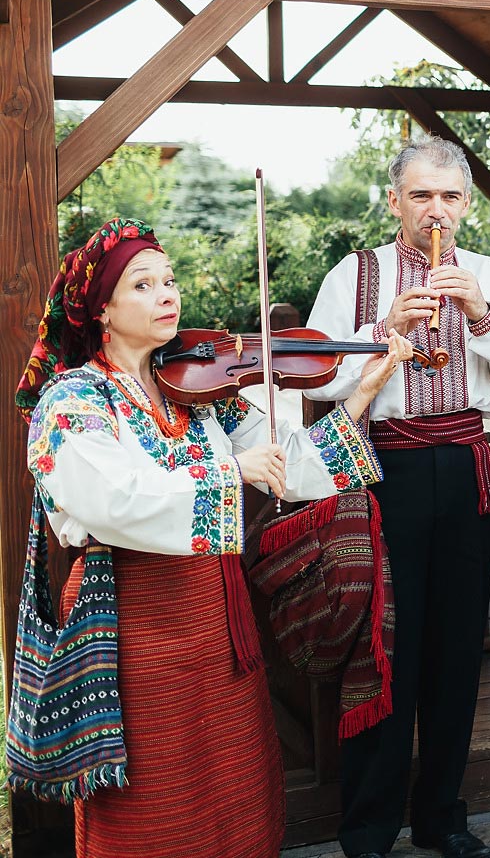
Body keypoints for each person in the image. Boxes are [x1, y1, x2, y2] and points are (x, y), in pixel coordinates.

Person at [15, 217, 409, 858]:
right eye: (143, 285)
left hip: (216, 619)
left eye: (169, 280)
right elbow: (112, 502)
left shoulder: (200, 390)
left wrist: (365, 389)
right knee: (154, 803)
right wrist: (230, 472)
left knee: (236, 791)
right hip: (133, 624)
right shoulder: (73, 401)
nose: (166, 295)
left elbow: (288, 466)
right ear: (102, 310)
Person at [305, 136, 490, 858]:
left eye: (449, 196)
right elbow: (314, 375)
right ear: (395, 201)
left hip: (467, 466)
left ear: (467, 204)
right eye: (421, 195)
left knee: (456, 647)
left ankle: (441, 816)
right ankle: (369, 825)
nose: (435, 210)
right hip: (384, 467)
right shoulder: (355, 274)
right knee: (385, 646)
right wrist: (384, 330)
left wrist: (482, 314)